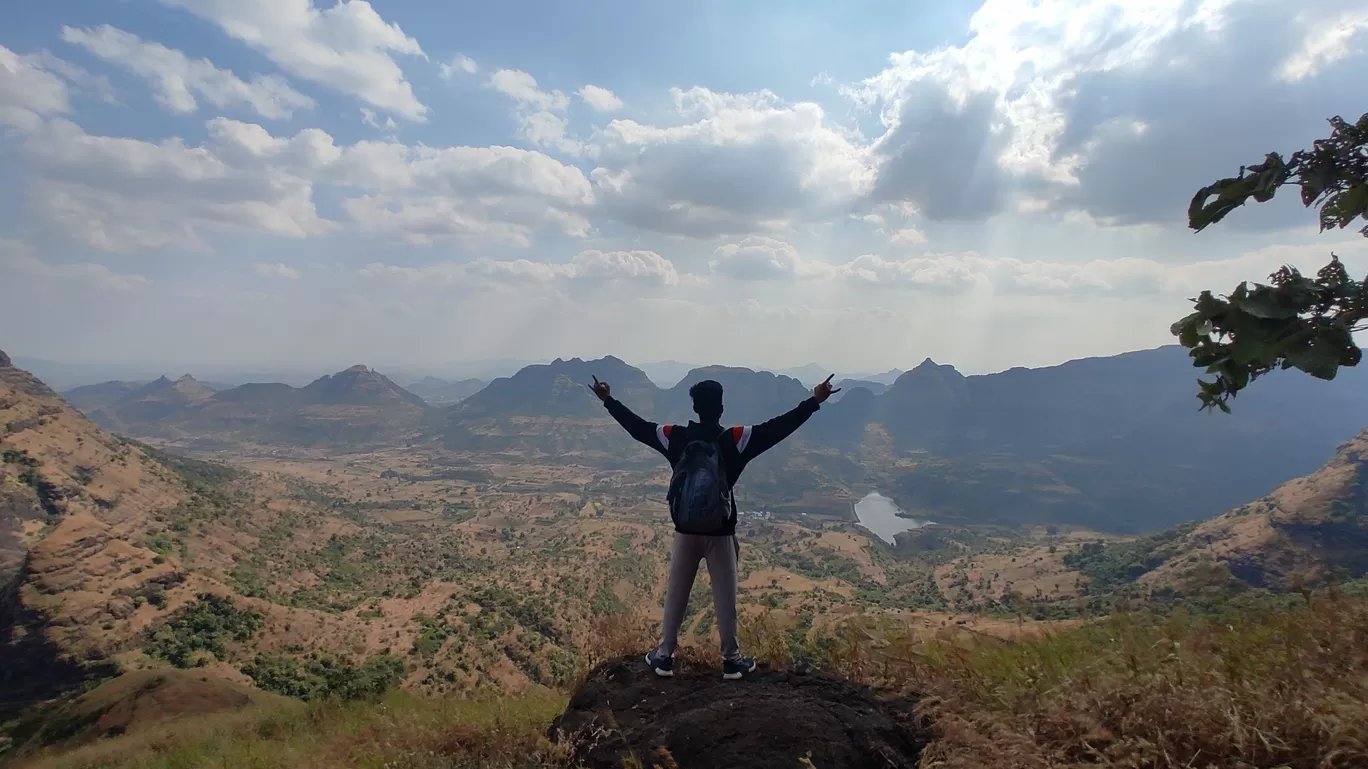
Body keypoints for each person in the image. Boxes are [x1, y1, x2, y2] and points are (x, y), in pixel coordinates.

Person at [589, 373, 840, 680]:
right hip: (721, 532)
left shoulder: (675, 437)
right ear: (721, 407)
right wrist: (814, 400)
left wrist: (608, 401)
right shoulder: (735, 438)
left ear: (694, 407)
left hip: (685, 531)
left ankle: (664, 656)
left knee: (676, 594)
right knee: (725, 596)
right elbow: (779, 428)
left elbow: (638, 428)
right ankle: (731, 660)